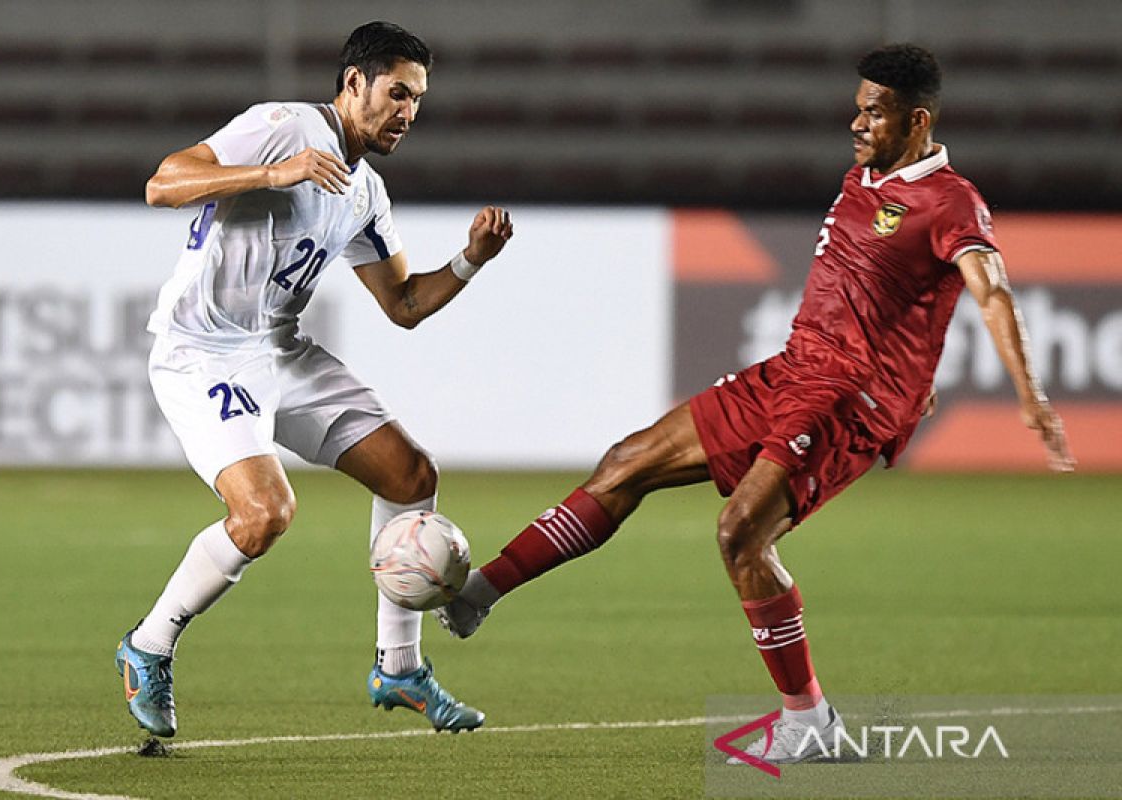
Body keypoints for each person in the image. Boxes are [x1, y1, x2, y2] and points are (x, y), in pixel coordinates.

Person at [434, 43, 1074, 763]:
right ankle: (476, 593)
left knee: (741, 532)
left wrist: (1031, 397)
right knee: (626, 462)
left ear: (918, 120)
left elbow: (990, 290)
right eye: (858, 107)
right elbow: (893, 298)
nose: (857, 122)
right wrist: (914, 372)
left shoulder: (951, 200)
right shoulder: (865, 175)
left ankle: (809, 719)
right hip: (794, 371)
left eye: (875, 112)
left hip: (846, 397)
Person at [115, 21, 513, 739]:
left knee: (411, 475)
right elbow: (162, 183)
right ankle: (149, 644)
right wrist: (275, 172)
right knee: (264, 514)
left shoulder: (364, 190)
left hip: (280, 350)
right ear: (353, 82)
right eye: (398, 93)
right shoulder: (282, 127)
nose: (408, 113)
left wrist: (470, 259)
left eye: (418, 99)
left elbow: (404, 305)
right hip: (202, 350)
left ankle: (398, 667)